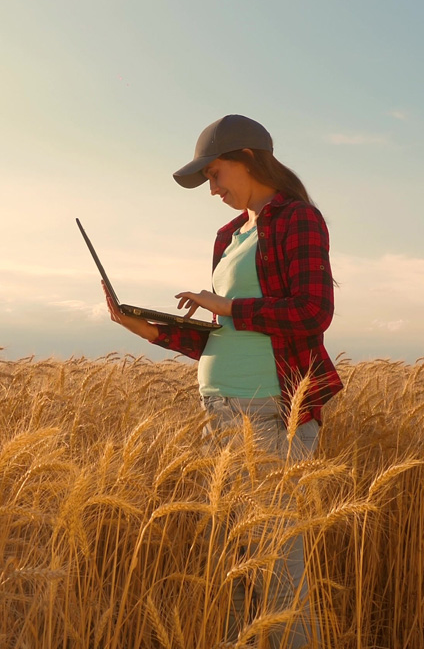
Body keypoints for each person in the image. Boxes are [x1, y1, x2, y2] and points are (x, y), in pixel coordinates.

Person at [105, 113, 341, 648]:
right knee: (236, 562)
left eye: (215, 175)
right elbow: (223, 333)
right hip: (220, 412)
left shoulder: (297, 219)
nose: (212, 189)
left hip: (270, 411)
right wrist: (143, 328)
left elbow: (312, 312)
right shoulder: (229, 235)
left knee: (278, 564)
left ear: (249, 159)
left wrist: (228, 304)